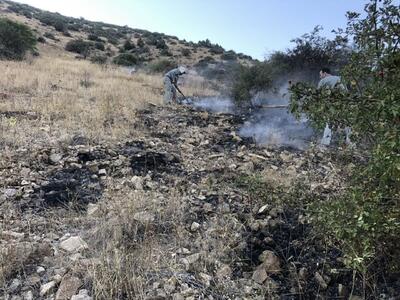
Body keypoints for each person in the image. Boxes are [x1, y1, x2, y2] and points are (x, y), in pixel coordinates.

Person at [317, 68, 352, 146]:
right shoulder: (340, 78)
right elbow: (346, 92)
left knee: (329, 123)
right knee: (346, 123)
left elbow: (317, 94)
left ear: (324, 73)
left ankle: (325, 143)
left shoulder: (323, 81)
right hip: (343, 104)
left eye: (320, 75)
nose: (320, 77)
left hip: (332, 105)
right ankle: (350, 142)